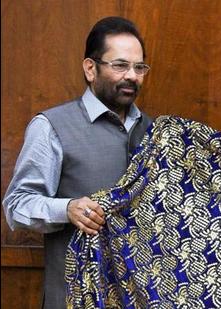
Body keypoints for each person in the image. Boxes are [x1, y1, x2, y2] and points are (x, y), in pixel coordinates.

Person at [2, 16, 153, 308]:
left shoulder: (155, 132)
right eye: (120, 65)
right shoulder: (52, 126)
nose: (132, 76)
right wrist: (67, 209)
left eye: (139, 67)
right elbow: (17, 204)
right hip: (72, 298)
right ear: (90, 68)